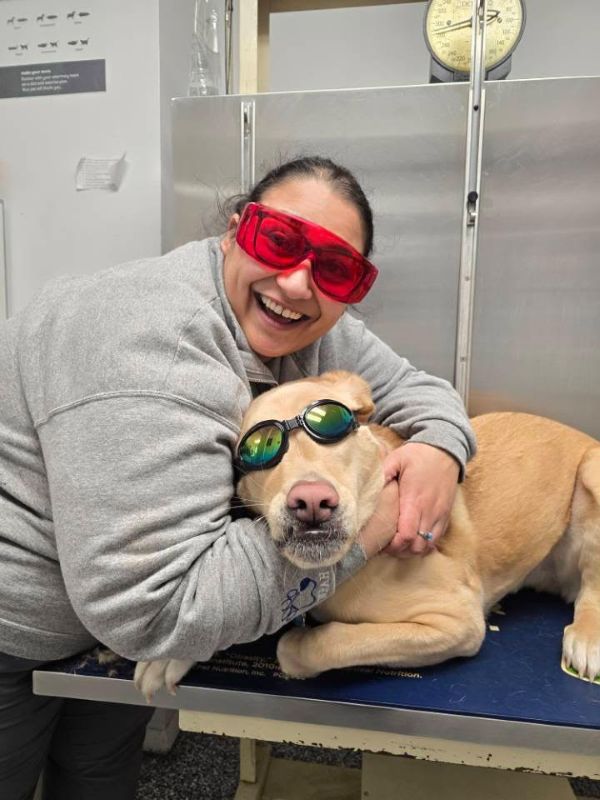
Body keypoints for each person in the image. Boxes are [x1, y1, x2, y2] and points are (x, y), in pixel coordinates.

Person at [0, 155, 476, 799]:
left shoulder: (305, 326)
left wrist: (441, 449)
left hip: (102, 636)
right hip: (19, 624)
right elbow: (159, 613)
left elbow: (414, 387)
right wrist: (378, 513)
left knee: (98, 780)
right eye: (278, 240)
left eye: (336, 268)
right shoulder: (151, 344)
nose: (299, 282)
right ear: (235, 230)